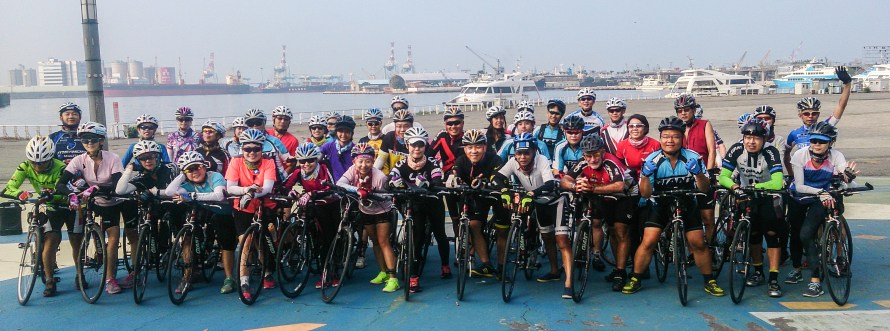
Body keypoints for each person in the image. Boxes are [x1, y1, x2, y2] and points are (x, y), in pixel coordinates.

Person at [622, 116, 724, 297]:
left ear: (682, 138)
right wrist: (645, 176)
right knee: (649, 241)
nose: (670, 140)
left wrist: (699, 174)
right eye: (666, 136)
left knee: (698, 243)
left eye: (675, 136)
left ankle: (709, 280)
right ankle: (636, 278)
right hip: (660, 203)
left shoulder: (693, 157)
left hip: (687, 203)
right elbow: (645, 194)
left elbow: (704, 188)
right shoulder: (652, 160)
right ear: (660, 138)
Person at [55, 122, 128, 294]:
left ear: (101, 141)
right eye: (85, 140)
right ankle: (80, 273)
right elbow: (61, 184)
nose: (89, 143)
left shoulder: (113, 158)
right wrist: (71, 195)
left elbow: (118, 186)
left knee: (113, 237)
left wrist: (98, 188)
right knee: (79, 235)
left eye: (93, 140)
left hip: (111, 201)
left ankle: (110, 279)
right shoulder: (79, 160)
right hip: (91, 201)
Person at [718, 118, 787, 298]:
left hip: (768, 197)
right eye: (747, 137)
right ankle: (758, 272)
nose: (751, 141)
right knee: (753, 236)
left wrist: (756, 187)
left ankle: (773, 278)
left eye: (756, 137)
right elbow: (723, 177)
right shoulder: (736, 149)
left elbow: (778, 182)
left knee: (772, 237)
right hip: (746, 196)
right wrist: (735, 188)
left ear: (764, 139)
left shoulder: (771, 152)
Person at [787, 122, 858, 297]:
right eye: (813, 140)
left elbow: (845, 180)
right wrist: (821, 192)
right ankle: (796, 268)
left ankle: (815, 280)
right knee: (795, 232)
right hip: (801, 195)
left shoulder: (836, 156)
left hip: (822, 198)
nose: (816, 144)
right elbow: (801, 186)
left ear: (831, 143)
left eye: (821, 141)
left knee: (806, 233)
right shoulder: (800, 155)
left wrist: (848, 180)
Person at [493, 133, 566, 297]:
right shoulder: (513, 162)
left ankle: (555, 270)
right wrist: (504, 191)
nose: (522, 157)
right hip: (528, 195)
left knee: (548, 236)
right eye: (519, 153)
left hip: (546, 197)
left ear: (534, 152)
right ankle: (526, 242)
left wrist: (532, 194)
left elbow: (549, 183)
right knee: (522, 216)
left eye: (526, 153)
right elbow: (497, 178)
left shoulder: (541, 160)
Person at [2, 136, 75, 297]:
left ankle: (80, 275)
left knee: (75, 242)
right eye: (34, 162)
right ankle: (49, 280)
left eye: (42, 163)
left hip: (67, 205)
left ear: (50, 158)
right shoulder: (25, 166)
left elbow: (60, 189)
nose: (37, 167)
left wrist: (51, 195)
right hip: (51, 208)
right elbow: (8, 188)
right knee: (50, 242)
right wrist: (20, 193)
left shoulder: (61, 167)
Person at [561, 134, 633, 288]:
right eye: (588, 156)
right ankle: (593, 253)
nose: (592, 159)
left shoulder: (610, 161)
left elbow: (619, 186)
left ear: (602, 151)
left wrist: (592, 188)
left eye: (595, 155)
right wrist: (575, 186)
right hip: (601, 194)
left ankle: (620, 272)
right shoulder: (583, 161)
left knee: (620, 230)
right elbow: (565, 179)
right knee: (605, 227)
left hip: (625, 195)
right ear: (583, 155)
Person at [166, 151, 238, 294]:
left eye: (197, 167)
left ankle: (229, 278)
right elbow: (170, 191)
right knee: (188, 236)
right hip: (202, 211)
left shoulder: (215, 176)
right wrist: (182, 173)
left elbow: (218, 195)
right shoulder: (187, 183)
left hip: (221, 212)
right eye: (189, 170)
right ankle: (187, 276)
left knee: (226, 241)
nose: (194, 172)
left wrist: (191, 196)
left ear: (205, 167)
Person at [389, 127, 450, 291]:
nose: (417, 149)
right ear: (407, 145)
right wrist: (393, 183)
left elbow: (437, 181)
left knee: (440, 233)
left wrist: (429, 184)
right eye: (413, 145)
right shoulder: (401, 163)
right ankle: (413, 276)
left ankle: (445, 265)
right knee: (416, 238)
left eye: (420, 145)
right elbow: (391, 178)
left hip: (432, 202)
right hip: (414, 204)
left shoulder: (433, 163)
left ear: (425, 146)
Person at [115, 140, 180, 292]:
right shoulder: (141, 177)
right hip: (153, 209)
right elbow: (120, 190)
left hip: (174, 206)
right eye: (143, 158)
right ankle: (145, 261)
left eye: (151, 157)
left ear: (158, 157)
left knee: (173, 219)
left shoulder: (170, 168)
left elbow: (176, 190)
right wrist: (130, 168)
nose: (148, 161)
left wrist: (153, 192)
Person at [337, 143, 400, 293]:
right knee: (375, 242)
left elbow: (388, 197)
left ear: (373, 161)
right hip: (366, 211)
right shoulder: (353, 170)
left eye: (368, 161)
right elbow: (340, 183)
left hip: (382, 210)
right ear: (354, 162)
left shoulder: (380, 177)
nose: (363, 165)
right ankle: (383, 272)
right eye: (360, 161)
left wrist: (371, 192)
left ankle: (393, 278)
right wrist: (358, 190)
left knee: (384, 242)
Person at [445, 129, 507, 278]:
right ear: (465, 149)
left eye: (478, 147)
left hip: (495, 195)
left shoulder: (496, 160)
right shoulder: (461, 160)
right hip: (477, 196)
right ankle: (486, 264)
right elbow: (456, 175)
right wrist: (454, 180)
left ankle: (501, 266)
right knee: (474, 225)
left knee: (502, 231)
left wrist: (485, 182)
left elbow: (498, 179)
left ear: (485, 147)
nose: (474, 151)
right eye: (470, 147)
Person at [225, 128, 279, 299]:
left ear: (261, 149)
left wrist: (252, 194)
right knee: (245, 243)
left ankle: (267, 272)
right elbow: (230, 187)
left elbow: (268, 188)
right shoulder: (236, 161)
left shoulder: (268, 162)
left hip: (263, 204)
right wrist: (246, 190)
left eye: (256, 149)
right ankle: (244, 280)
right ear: (242, 149)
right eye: (247, 149)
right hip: (242, 206)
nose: (252, 152)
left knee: (264, 239)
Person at [281, 143, 340, 288]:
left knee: (330, 239)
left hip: (330, 204)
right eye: (302, 161)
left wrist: (311, 193)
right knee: (317, 240)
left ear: (316, 160)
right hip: (314, 205)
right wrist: (290, 192)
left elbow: (332, 187)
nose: (306, 164)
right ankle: (321, 269)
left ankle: (335, 272)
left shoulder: (324, 168)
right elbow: (284, 185)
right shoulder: (298, 172)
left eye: (310, 160)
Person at [783, 66, 852, 177]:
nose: (810, 116)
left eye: (814, 113)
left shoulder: (826, 126)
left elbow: (841, 106)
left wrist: (847, 84)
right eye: (806, 114)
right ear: (800, 115)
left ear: (818, 114)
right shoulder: (794, 134)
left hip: (825, 173)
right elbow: (786, 155)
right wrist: (792, 175)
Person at [673, 94, 719, 246]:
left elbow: (711, 150)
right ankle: (693, 252)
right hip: (683, 177)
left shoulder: (705, 124)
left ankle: (711, 248)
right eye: (680, 111)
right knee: (687, 218)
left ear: (693, 110)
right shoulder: (676, 127)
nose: (683, 113)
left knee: (707, 218)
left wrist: (710, 171)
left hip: (703, 175)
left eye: (686, 109)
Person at [243, 108, 292, 182]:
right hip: (252, 184)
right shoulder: (243, 143)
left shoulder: (275, 141)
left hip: (275, 183)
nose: (255, 126)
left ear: (264, 123)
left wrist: (283, 177)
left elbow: (292, 162)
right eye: (251, 123)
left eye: (258, 122)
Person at [375, 108, 414, 174]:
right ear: (395, 126)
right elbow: (380, 160)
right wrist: (372, 175)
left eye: (406, 126)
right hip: (393, 177)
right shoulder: (389, 137)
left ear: (412, 126)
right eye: (399, 126)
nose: (402, 130)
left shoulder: (417, 140)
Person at [319, 115, 356, 181]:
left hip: (351, 185)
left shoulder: (356, 149)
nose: (343, 135)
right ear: (336, 132)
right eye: (340, 131)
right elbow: (316, 162)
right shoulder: (328, 146)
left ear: (352, 133)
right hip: (333, 186)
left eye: (347, 132)